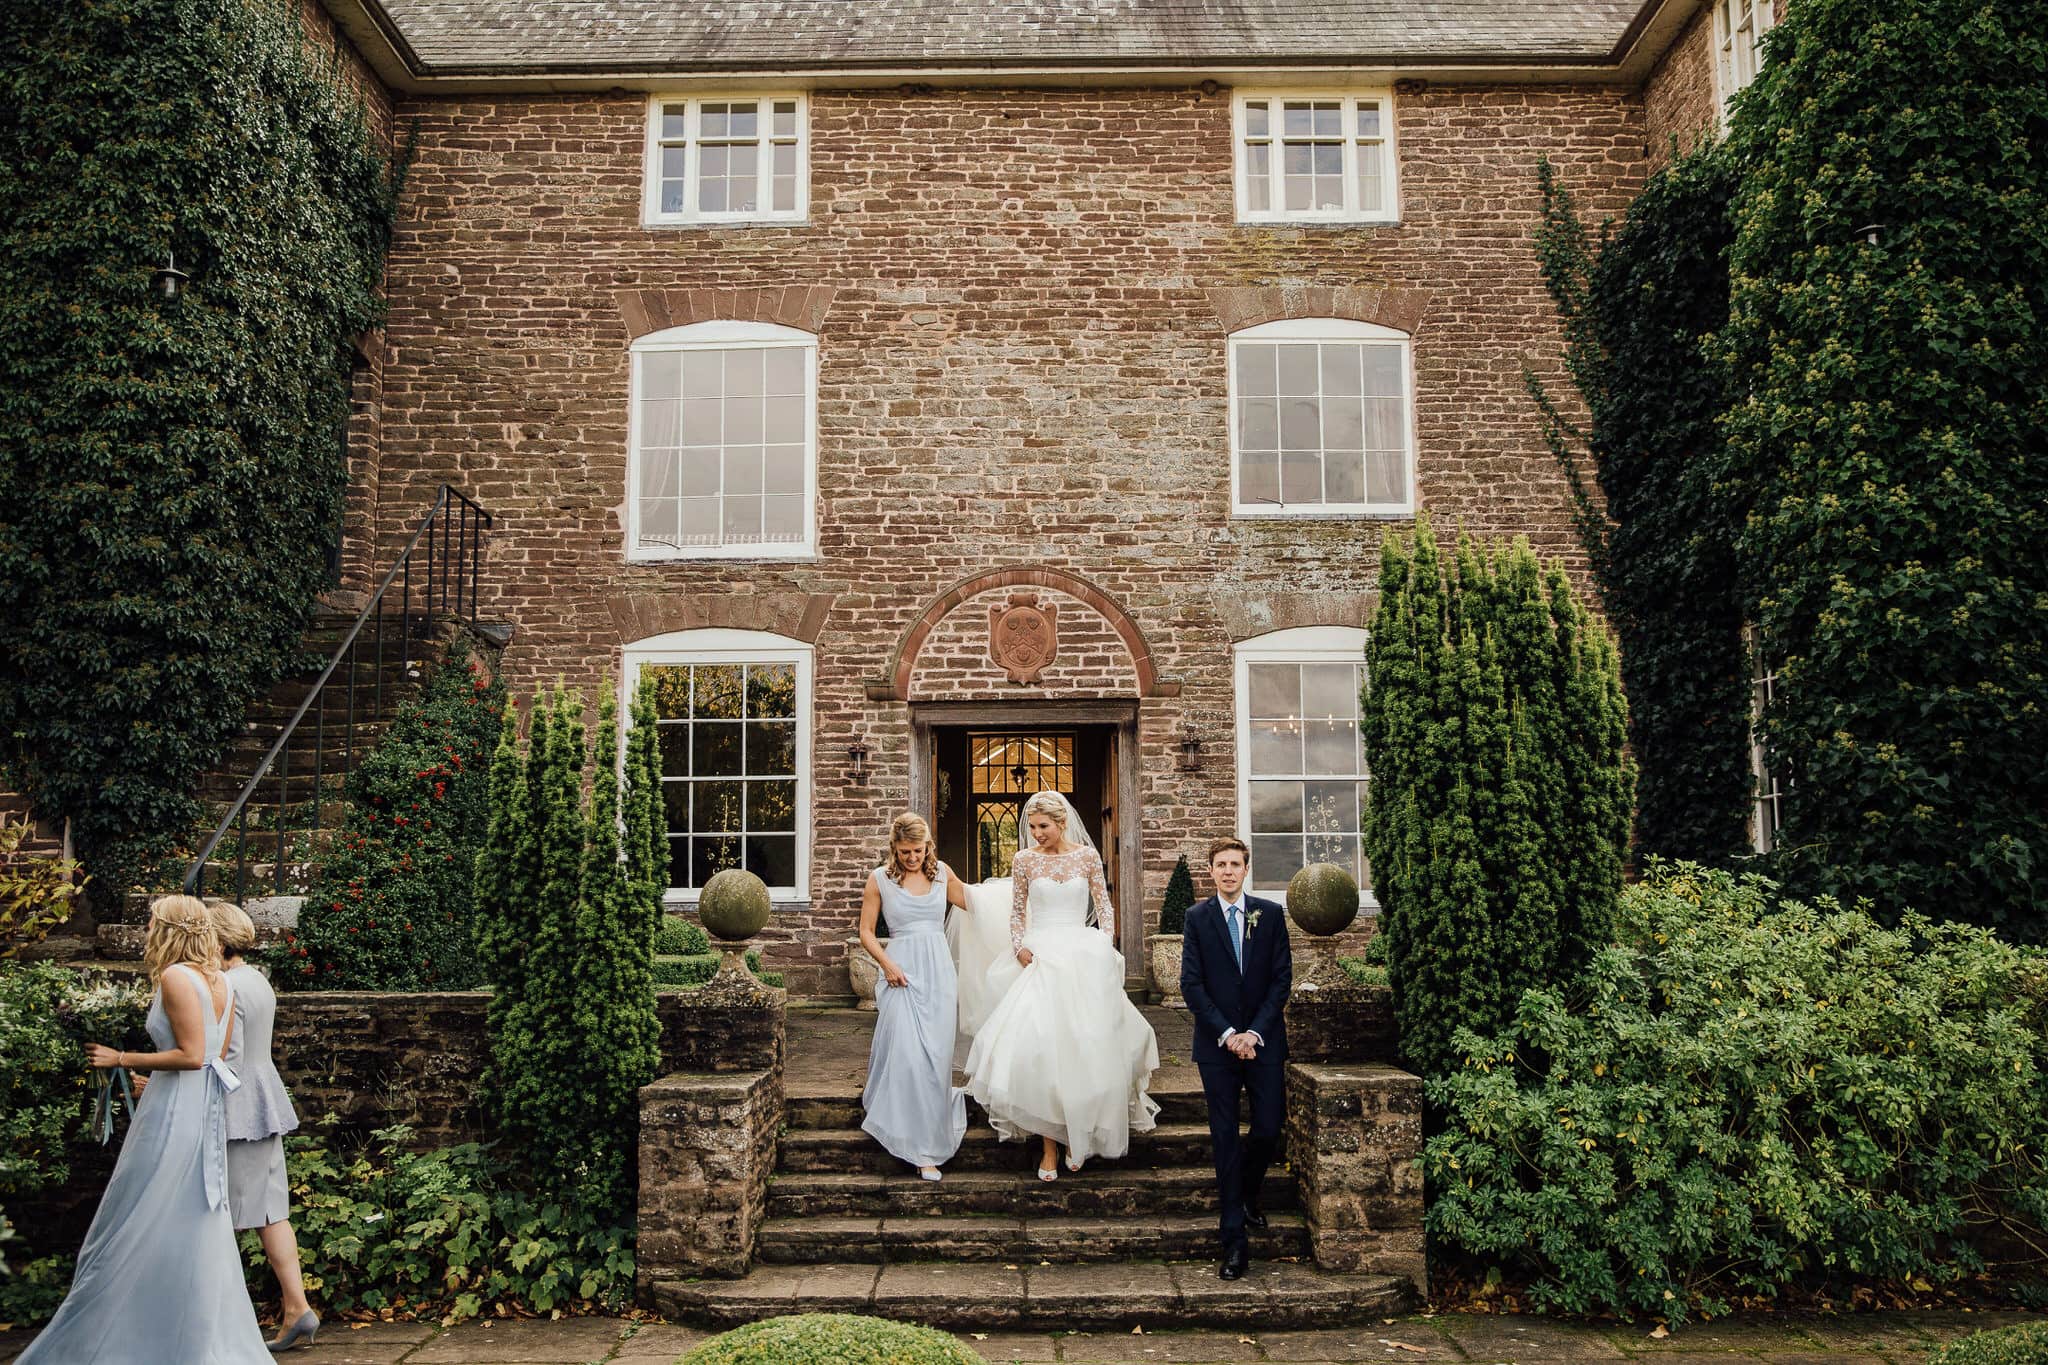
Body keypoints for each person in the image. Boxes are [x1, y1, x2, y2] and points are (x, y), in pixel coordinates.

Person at [21, 895, 272, 1364]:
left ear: (169, 928)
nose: (146, 929)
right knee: (184, 1213)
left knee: (146, 1209)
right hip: (197, 1103)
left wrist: (121, 1058)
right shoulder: (219, 978)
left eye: (152, 921)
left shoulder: (178, 977)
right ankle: (175, 1328)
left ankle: (135, 1335)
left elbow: (193, 1055)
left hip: (177, 1110)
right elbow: (206, 1057)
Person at [960, 790, 1160, 1178]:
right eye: (1032, 827)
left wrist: (1104, 943)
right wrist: (1018, 947)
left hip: (1082, 955)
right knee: (1042, 1051)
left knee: (1084, 1048)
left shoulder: (1086, 857)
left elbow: (1104, 905)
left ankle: (1076, 1136)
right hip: (1041, 955)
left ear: (1061, 822)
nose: (1036, 833)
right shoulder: (1024, 860)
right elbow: (1018, 911)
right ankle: (1049, 1147)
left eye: (1043, 827)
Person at [1179, 836, 1292, 1280]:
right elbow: (1192, 985)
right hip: (1217, 1046)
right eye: (1220, 865)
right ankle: (1234, 1242)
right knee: (1224, 1137)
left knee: (1268, 1127)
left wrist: (1254, 1032)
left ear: (1246, 869)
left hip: (1263, 1042)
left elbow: (1281, 979)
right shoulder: (1197, 918)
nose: (1228, 871)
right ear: (1211, 871)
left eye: (1235, 864)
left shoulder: (1270, 914)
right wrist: (1228, 1034)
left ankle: (1248, 1193)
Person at [209, 900, 318, 1352]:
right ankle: (297, 1307)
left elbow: (224, 1060)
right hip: (264, 1100)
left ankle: (223, 1321)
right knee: (271, 1210)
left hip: (237, 1108)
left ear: (214, 939)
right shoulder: (258, 979)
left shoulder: (224, 984)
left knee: (219, 1214)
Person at [858, 812, 970, 1179]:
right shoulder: (879, 880)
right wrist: (887, 965)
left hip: (939, 972)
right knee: (906, 1055)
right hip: (900, 973)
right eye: (905, 851)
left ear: (927, 848)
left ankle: (929, 1134)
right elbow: (866, 932)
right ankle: (919, 1149)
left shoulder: (942, 875)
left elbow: (976, 904)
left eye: (918, 851)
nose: (912, 858)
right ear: (894, 848)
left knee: (935, 1060)